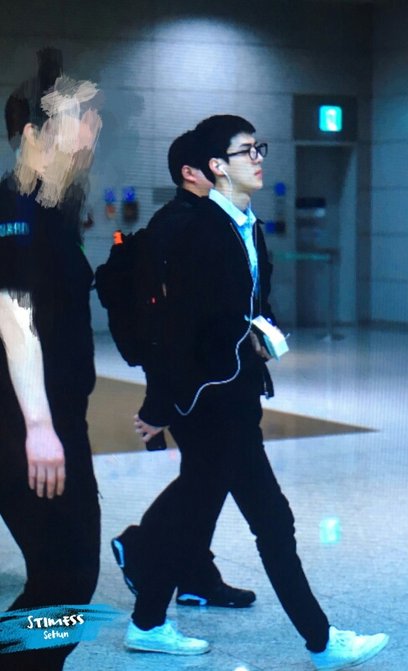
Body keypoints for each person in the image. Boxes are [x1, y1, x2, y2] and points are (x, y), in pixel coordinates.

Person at [119, 114, 389, 670]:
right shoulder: (197, 229)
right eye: (247, 151)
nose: (259, 157)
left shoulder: (248, 225)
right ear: (216, 166)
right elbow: (173, 330)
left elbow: (248, 305)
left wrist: (261, 333)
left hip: (235, 394)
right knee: (269, 520)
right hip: (208, 402)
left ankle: (146, 619)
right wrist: (159, 406)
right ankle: (321, 643)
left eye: (258, 147)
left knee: (207, 513)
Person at [111, 129, 256, 610]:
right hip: (192, 381)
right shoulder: (181, 224)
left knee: (206, 477)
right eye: (212, 163)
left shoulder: (208, 220)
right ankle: (141, 545)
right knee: (207, 478)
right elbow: (168, 325)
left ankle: (195, 576)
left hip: (207, 376)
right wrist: (160, 402)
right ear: (190, 173)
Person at [0, 51, 102, 671]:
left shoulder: (50, 209)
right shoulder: (16, 208)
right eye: (78, 118)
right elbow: (14, 316)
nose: (91, 130)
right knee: (67, 577)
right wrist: (39, 426)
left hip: (56, 417)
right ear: (35, 133)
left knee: (65, 576)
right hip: (28, 423)